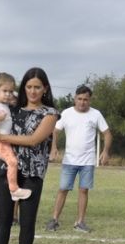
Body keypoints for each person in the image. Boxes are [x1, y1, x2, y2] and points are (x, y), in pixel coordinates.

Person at [0, 67, 59, 244]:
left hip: (32, 173)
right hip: (4, 169)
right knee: (4, 219)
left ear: (45, 88)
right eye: (29, 87)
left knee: (27, 221)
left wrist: (2, 137)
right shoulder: (11, 108)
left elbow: (34, 139)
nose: (33, 91)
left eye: (37, 87)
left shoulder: (50, 114)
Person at [45, 85, 112, 233]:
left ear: (90, 100)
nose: (82, 102)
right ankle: (54, 220)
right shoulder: (67, 113)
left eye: (85, 99)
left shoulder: (96, 114)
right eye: (79, 99)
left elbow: (107, 133)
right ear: (75, 98)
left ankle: (80, 222)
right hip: (69, 161)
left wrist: (105, 151)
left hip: (87, 161)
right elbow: (54, 131)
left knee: (83, 190)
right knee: (63, 189)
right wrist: (53, 147)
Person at [0, 72, 32, 202]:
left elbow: (18, 96)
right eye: (4, 91)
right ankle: (14, 190)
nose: (8, 94)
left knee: (11, 162)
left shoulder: (5, 103)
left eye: (11, 91)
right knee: (12, 162)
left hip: (4, 139)